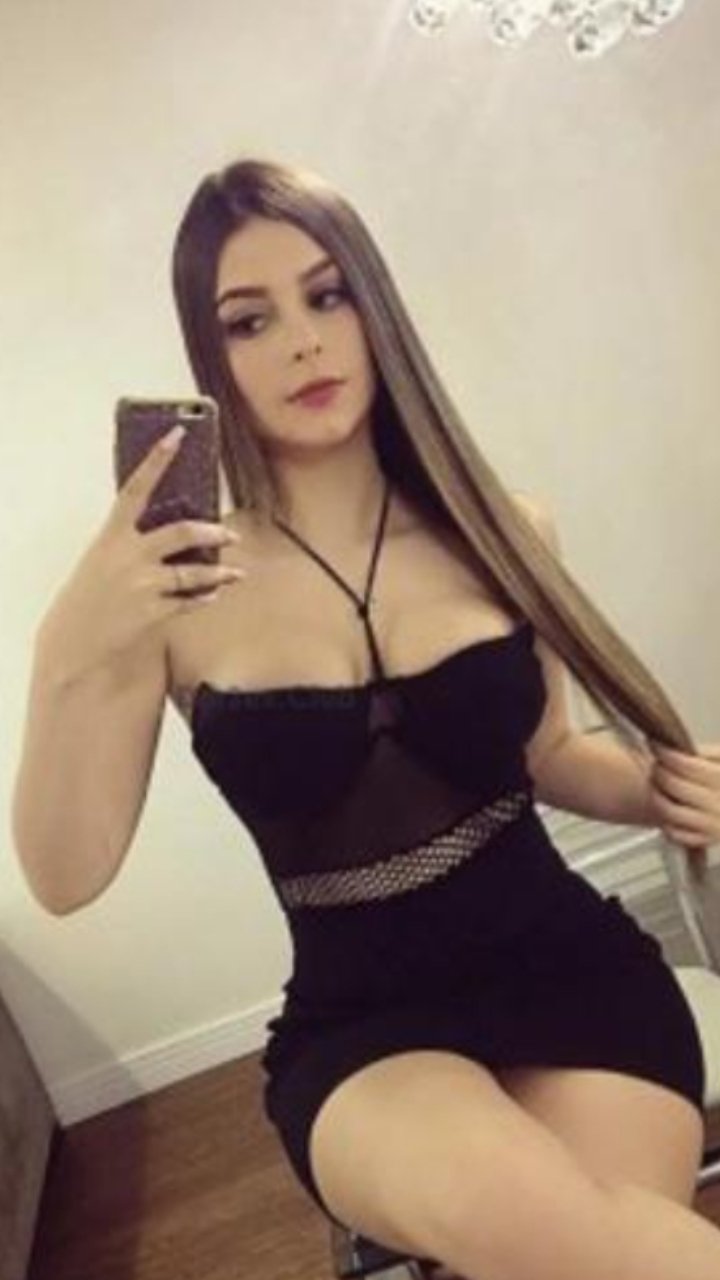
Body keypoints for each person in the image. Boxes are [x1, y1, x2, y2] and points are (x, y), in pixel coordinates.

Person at [12, 158, 720, 1280]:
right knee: (565, 1235)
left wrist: (663, 790)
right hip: (364, 1031)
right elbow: (64, 874)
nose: (301, 341)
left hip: (574, 968)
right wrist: (68, 646)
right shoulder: (176, 597)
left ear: (373, 307)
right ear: (211, 357)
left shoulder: (505, 528)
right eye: (249, 319)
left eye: (326, 294)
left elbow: (549, 753)